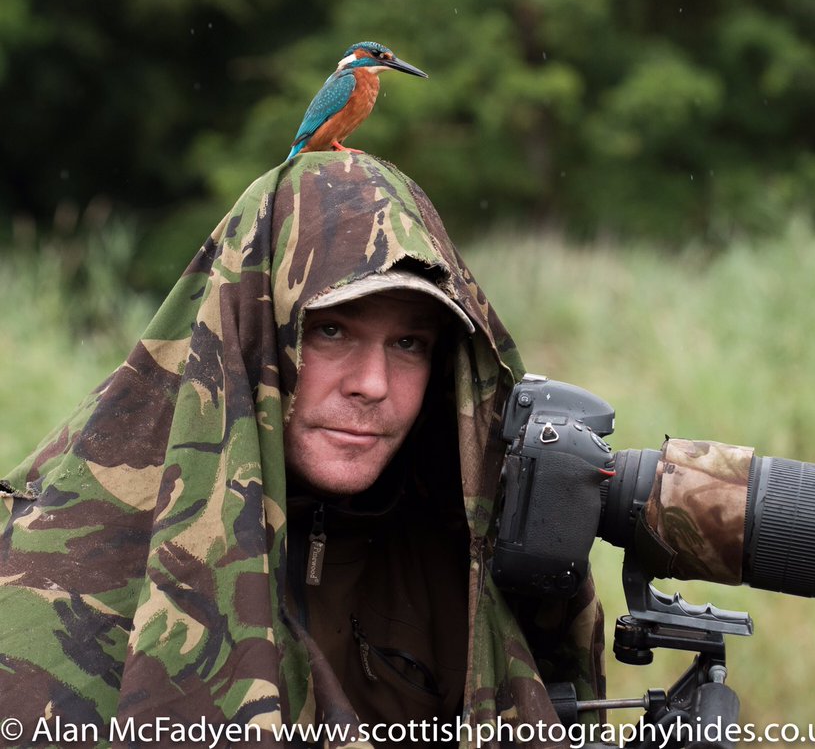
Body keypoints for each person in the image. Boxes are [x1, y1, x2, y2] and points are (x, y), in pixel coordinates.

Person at [0, 153, 605, 747]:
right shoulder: (51, 567)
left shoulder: (471, 558)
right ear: (250, 336)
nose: (372, 384)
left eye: (409, 344)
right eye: (331, 331)